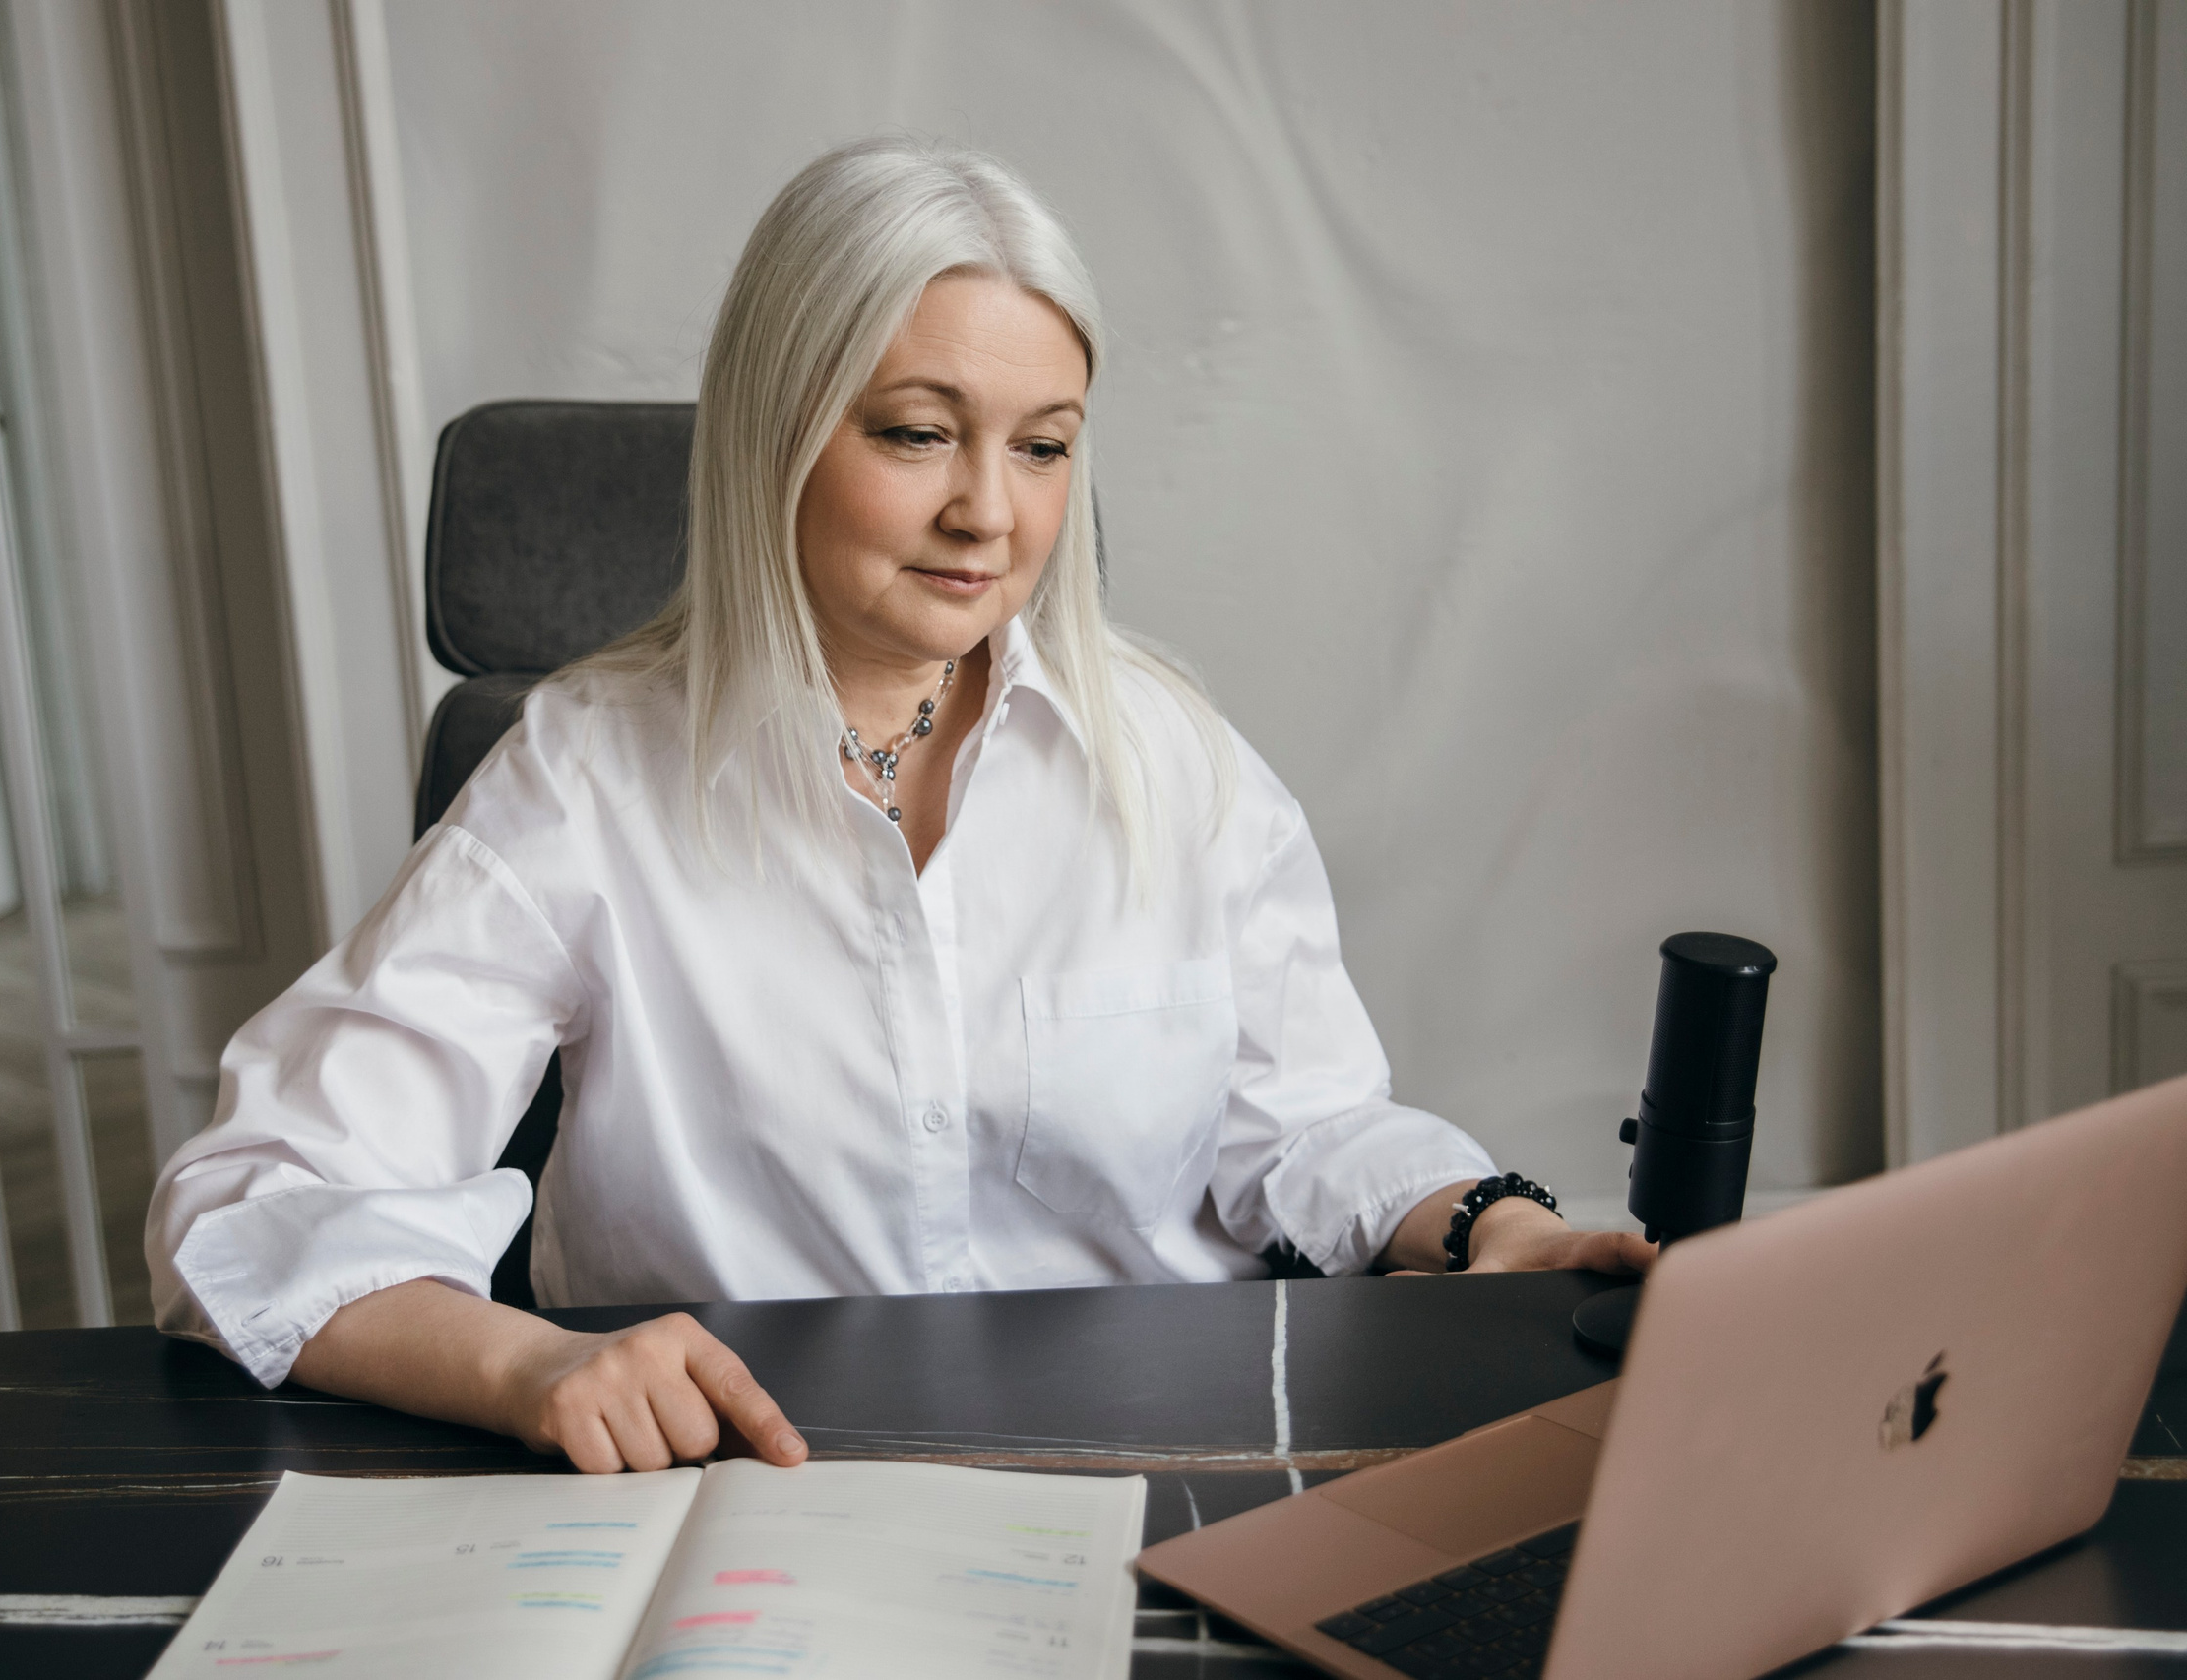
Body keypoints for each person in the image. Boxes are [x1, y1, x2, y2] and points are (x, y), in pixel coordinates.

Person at [145, 136, 1654, 1477]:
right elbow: (256, 1199)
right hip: (762, 1482)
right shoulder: (585, 779)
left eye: (1044, 447)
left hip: (1158, 1472)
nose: (989, 513)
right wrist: (531, 1361)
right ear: (778, 435)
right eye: (917, 432)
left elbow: (1303, 1121)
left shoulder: (1173, 760)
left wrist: (1492, 1223)